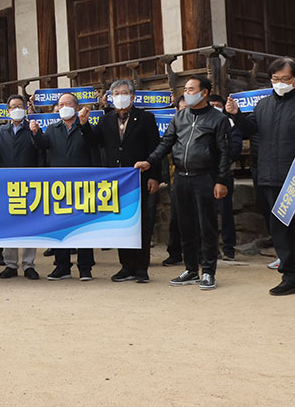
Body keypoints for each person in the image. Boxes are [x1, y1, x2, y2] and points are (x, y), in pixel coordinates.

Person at [225, 57, 295, 301]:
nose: (280, 83)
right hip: (270, 177)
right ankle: (290, 277)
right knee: (280, 231)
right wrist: (237, 115)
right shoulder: (263, 104)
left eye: (285, 79)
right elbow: (251, 129)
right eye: (275, 79)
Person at [136, 76, 230, 291]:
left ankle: (208, 271)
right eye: (185, 89)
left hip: (205, 178)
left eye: (191, 89)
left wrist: (221, 180)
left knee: (206, 226)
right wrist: (149, 162)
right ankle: (190, 269)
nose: (187, 92)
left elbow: (225, 153)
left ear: (204, 92)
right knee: (185, 225)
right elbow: (166, 144)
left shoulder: (218, 119)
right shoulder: (179, 118)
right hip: (181, 178)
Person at [90, 80, 161, 283]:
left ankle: (141, 268)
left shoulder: (146, 118)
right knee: (121, 224)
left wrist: (155, 176)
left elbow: (155, 148)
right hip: (116, 181)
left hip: (139, 178)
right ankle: (126, 266)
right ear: (110, 98)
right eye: (116, 93)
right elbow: (93, 141)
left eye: (123, 92)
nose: (120, 96)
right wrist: (84, 124)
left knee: (141, 223)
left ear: (132, 96)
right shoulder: (106, 120)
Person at [37, 93, 97, 281]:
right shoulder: (52, 129)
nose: (64, 107)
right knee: (60, 226)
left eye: (68, 103)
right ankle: (62, 267)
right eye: (61, 104)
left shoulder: (86, 127)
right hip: (58, 185)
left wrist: (85, 124)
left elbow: (95, 144)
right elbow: (41, 146)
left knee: (84, 227)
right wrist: (35, 133)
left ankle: (85, 268)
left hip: (83, 183)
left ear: (76, 106)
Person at [0, 94, 44, 279]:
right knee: (10, 225)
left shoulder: (33, 129)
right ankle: (10, 264)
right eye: (13, 107)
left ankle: (29, 265)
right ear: (8, 111)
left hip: (31, 183)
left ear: (26, 108)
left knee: (31, 225)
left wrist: (36, 132)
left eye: (19, 106)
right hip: (7, 185)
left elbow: (42, 149)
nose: (16, 109)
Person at [208, 94, 243, 261]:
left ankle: (229, 249)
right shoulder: (203, 122)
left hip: (224, 174)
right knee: (208, 214)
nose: (215, 107)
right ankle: (211, 249)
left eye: (218, 104)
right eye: (211, 104)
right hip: (205, 175)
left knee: (225, 212)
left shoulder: (231, 123)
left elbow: (235, 149)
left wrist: (222, 161)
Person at [161, 95, 189, 267]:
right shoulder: (173, 127)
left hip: (199, 179)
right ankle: (175, 252)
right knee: (176, 219)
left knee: (199, 219)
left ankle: (202, 253)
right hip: (176, 180)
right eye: (182, 109)